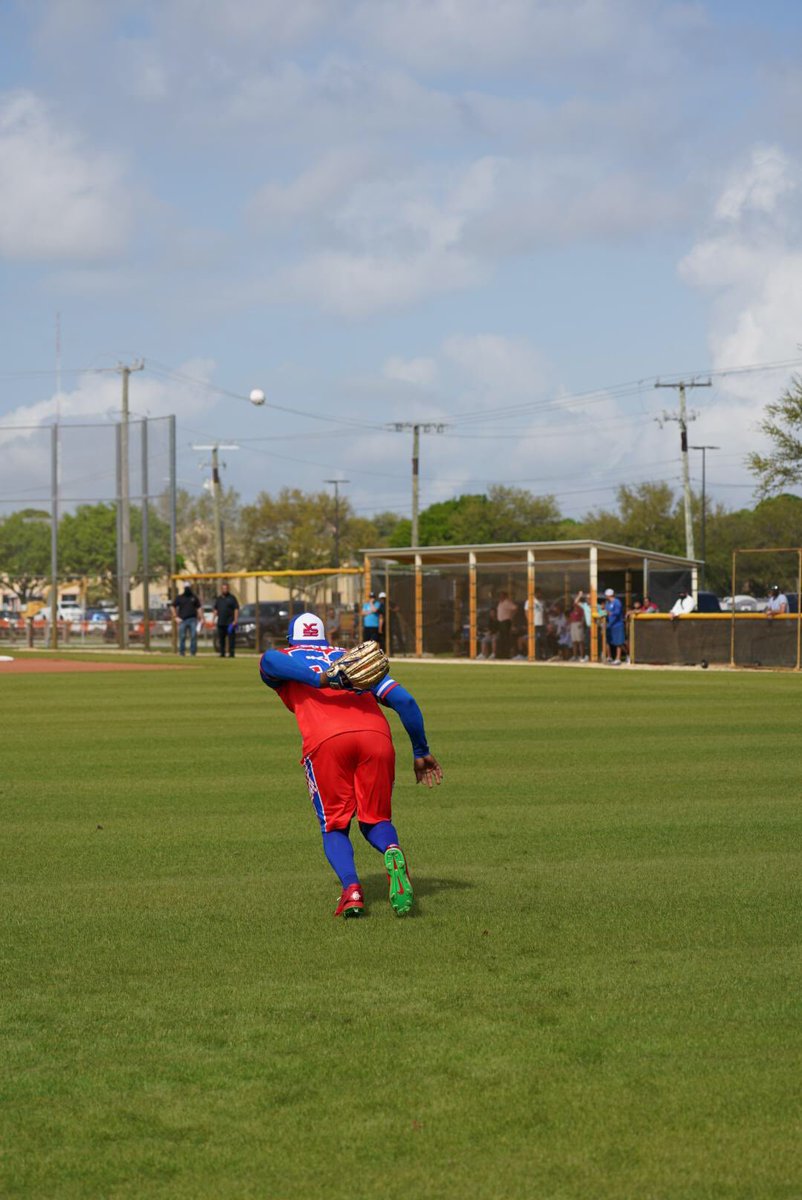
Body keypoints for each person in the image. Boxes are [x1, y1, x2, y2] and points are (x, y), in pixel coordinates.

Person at [259, 612, 442, 919]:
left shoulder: (286, 657)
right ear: (324, 639)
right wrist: (420, 750)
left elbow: (268, 661)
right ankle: (392, 850)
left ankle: (352, 891)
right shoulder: (351, 659)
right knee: (375, 819)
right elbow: (406, 702)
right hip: (376, 738)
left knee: (334, 825)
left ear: (292, 639)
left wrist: (320, 680)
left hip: (327, 741)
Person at [172, 585, 202, 656]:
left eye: (188, 588)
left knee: (193, 636)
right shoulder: (180, 597)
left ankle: (193, 652)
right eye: (186, 588)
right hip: (182, 620)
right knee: (182, 636)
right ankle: (182, 652)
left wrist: (201, 617)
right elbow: (173, 606)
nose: (187, 589)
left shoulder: (194, 597)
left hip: (193, 619)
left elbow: (199, 607)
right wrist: (175, 616)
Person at [213, 581, 240, 658]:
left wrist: (235, 620)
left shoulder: (232, 598)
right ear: (221, 589)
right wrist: (213, 619)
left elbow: (236, 609)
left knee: (231, 638)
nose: (225, 590)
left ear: (228, 589)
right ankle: (222, 653)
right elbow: (215, 609)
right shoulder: (219, 599)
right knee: (221, 639)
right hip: (221, 622)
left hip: (230, 622)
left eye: (226, 588)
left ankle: (231, 653)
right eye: (223, 588)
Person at [603, 587, 626, 664]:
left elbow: (618, 612)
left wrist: (610, 613)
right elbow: (606, 613)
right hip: (610, 625)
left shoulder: (617, 602)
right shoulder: (607, 604)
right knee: (608, 641)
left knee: (618, 642)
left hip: (617, 625)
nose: (606, 596)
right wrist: (601, 613)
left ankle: (618, 658)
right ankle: (609, 657)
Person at [496, 591, 518, 659]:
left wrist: (511, 616)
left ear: (505, 596)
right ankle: (500, 654)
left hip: (505, 622)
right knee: (501, 639)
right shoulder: (500, 603)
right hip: (500, 622)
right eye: (500, 595)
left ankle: (506, 654)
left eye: (502, 595)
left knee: (506, 639)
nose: (500, 597)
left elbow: (515, 608)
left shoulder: (507, 602)